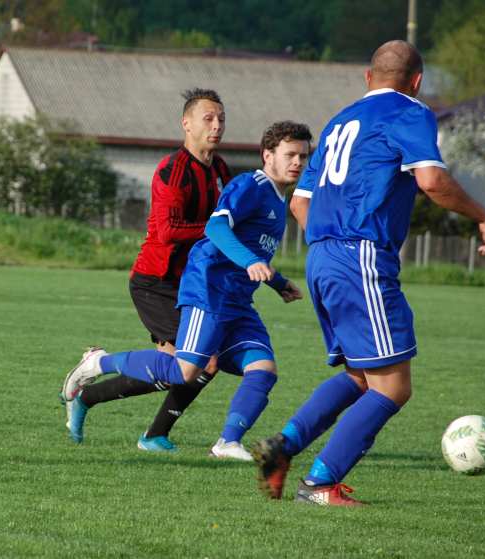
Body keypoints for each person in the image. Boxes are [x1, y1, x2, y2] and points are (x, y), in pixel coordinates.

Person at [250, 40, 485, 506]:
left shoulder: (338, 121)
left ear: (368, 77)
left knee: (362, 378)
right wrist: (484, 215)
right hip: (359, 257)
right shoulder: (410, 112)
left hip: (320, 256)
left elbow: (301, 204)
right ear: (417, 81)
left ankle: (283, 449)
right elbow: (431, 181)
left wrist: (334, 240)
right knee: (394, 386)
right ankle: (320, 483)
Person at [62, 121, 312, 459]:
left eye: (302, 156)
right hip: (208, 292)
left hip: (238, 303)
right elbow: (217, 226)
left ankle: (227, 443)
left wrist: (279, 283)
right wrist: (252, 262)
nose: (297, 162)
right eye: (290, 154)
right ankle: (100, 362)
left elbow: (252, 252)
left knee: (263, 369)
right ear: (268, 155)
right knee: (185, 370)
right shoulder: (251, 185)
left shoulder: (278, 199)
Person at [60, 88, 231, 453]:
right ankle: (102, 369)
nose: (216, 126)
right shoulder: (172, 170)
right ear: (186, 123)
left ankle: (91, 400)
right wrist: (216, 230)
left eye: (221, 119)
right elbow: (169, 232)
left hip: (192, 283)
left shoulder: (219, 169)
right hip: (157, 282)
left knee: (174, 367)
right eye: (208, 118)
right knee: (205, 362)